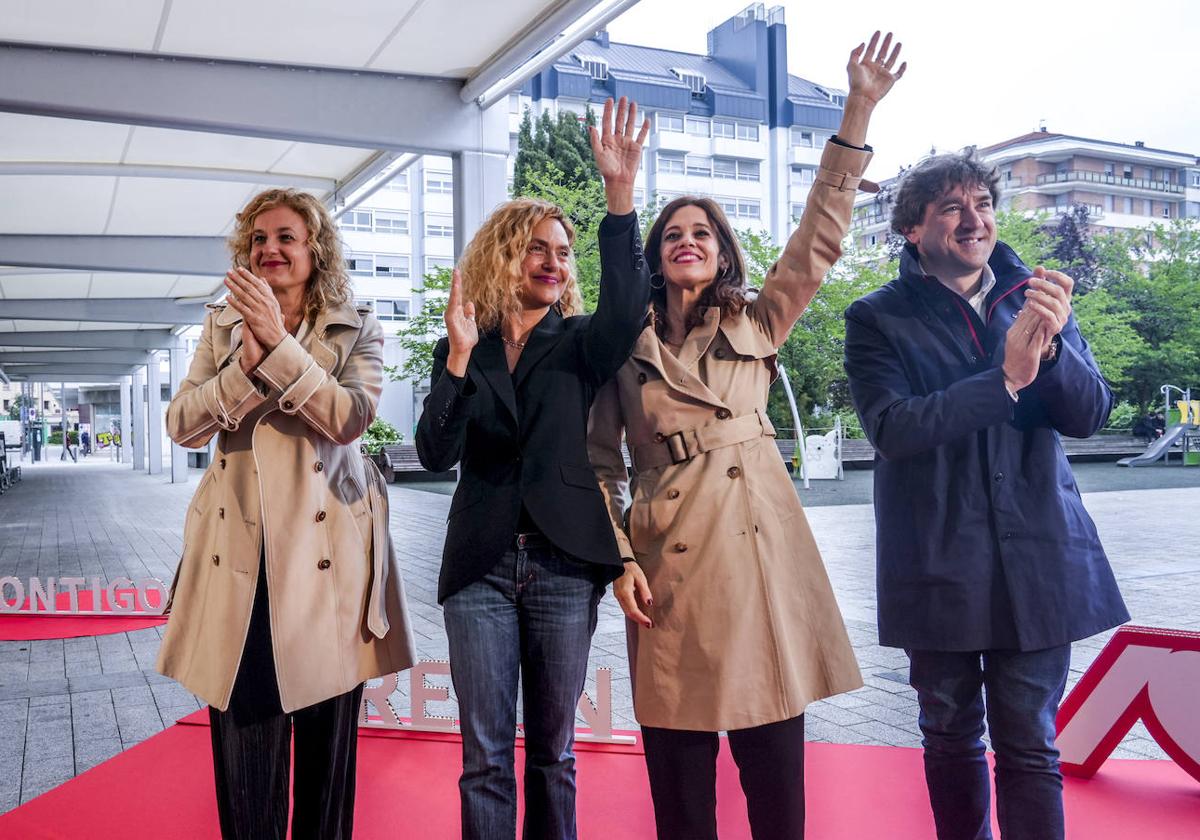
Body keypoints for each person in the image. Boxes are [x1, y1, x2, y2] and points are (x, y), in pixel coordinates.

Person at [587, 35, 905, 840]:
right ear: (655, 260)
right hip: (670, 569)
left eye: (703, 232)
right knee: (683, 797)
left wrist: (858, 108)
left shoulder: (760, 320)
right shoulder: (620, 346)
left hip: (760, 560)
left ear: (724, 251)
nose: (687, 240)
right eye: (672, 236)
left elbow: (820, 237)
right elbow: (598, 463)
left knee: (776, 789)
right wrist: (618, 560)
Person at [842, 147, 1130, 839]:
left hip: (1038, 555)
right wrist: (1002, 379)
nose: (974, 220)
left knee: (1031, 742)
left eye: (983, 205)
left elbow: (1088, 415)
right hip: (937, 558)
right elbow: (893, 427)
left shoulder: (1036, 294)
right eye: (951, 207)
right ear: (913, 228)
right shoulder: (876, 316)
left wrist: (1053, 350)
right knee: (948, 734)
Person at [415, 97, 650, 839]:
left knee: (553, 752)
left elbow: (629, 303)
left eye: (561, 252)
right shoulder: (464, 344)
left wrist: (620, 198)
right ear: (502, 255)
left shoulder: (582, 342)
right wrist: (455, 358)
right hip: (479, 564)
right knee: (485, 756)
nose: (552, 263)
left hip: (563, 563)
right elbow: (433, 453)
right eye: (536, 248)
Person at [157, 188, 416, 839]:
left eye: (286, 237)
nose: (270, 249)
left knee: (327, 781)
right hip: (241, 565)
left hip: (330, 571)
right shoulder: (219, 325)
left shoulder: (358, 322)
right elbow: (181, 424)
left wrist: (279, 346)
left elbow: (352, 418)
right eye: (259, 238)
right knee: (247, 778)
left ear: (314, 249)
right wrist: (244, 368)